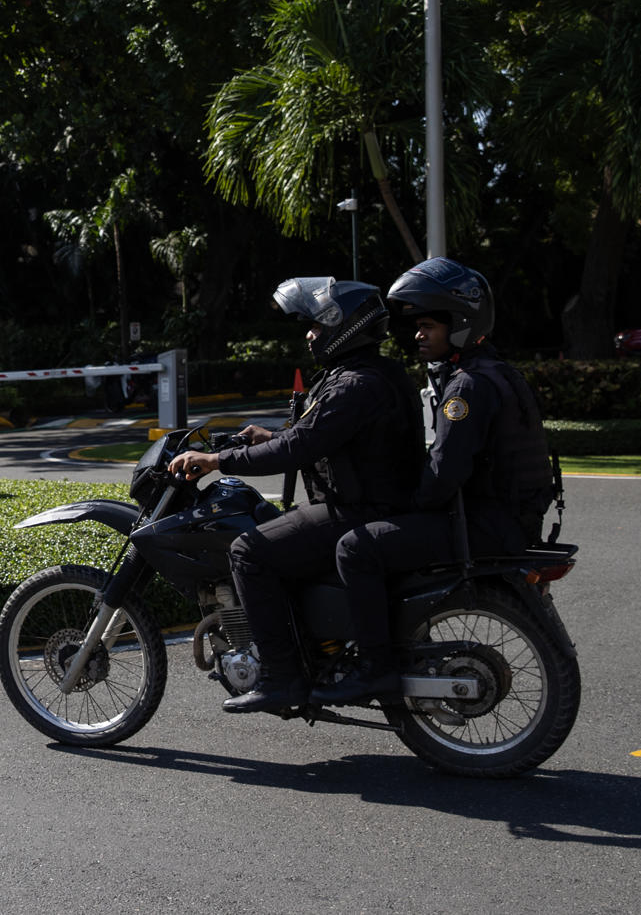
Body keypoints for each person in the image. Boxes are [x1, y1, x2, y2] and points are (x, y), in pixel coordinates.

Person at [169, 277, 421, 713]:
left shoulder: (352, 385)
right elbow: (318, 436)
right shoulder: (375, 374)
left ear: (344, 327)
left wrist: (217, 461)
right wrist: (264, 436)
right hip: (372, 504)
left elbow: (299, 448)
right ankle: (316, 652)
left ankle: (281, 679)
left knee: (249, 550)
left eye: (317, 328)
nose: (310, 335)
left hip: (357, 511)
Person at [314, 257, 553, 706]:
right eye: (418, 326)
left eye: (429, 326)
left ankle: (374, 668)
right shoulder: (498, 372)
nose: (419, 335)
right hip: (511, 519)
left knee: (356, 546)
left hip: (484, 525)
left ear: (459, 325)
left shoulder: (465, 389)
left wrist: (402, 503)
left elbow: (443, 474)